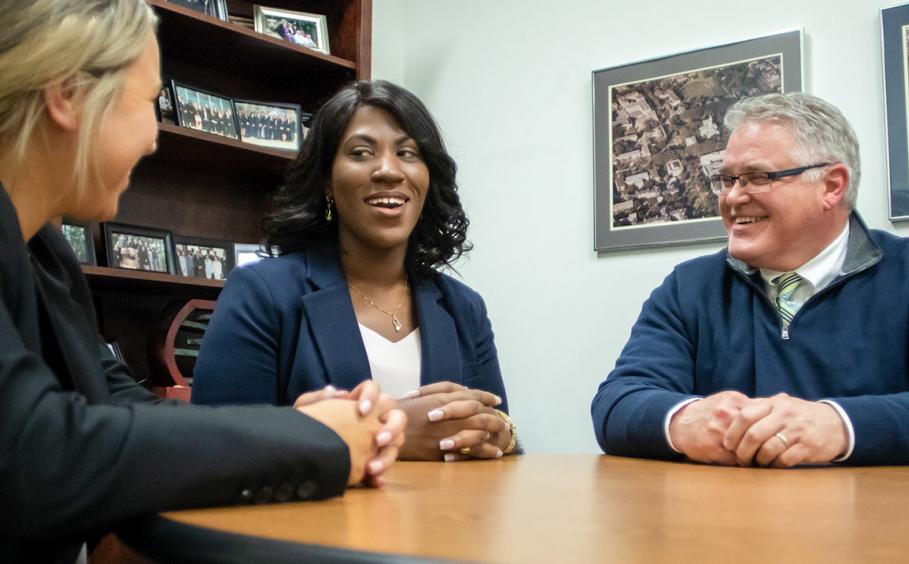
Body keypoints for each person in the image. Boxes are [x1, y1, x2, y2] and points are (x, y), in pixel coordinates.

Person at [0, 2, 406, 562]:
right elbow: (37, 456)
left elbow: (119, 409)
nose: (153, 138)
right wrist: (319, 439)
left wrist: (302, 426)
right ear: (67, 95)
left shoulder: (44, 255)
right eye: (148, 102)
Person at [192, 80, 518, 462]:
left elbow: (497, 435)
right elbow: (218, 447)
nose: (388, 171)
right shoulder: (261, 292)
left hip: (443, 518)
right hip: (310, 521)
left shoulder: (464, 307)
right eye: (361, 153)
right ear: (327, 181)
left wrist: (502, 437)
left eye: (408, 153)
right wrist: (387, 432)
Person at [591, 92, 909, 468]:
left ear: (832, 186)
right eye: (727, 179)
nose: (732, 198)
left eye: (757, 178)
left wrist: (841, 425)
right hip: (726, 522)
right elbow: (617, 402)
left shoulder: (902, 273)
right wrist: (685, 419)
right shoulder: (689, 287)